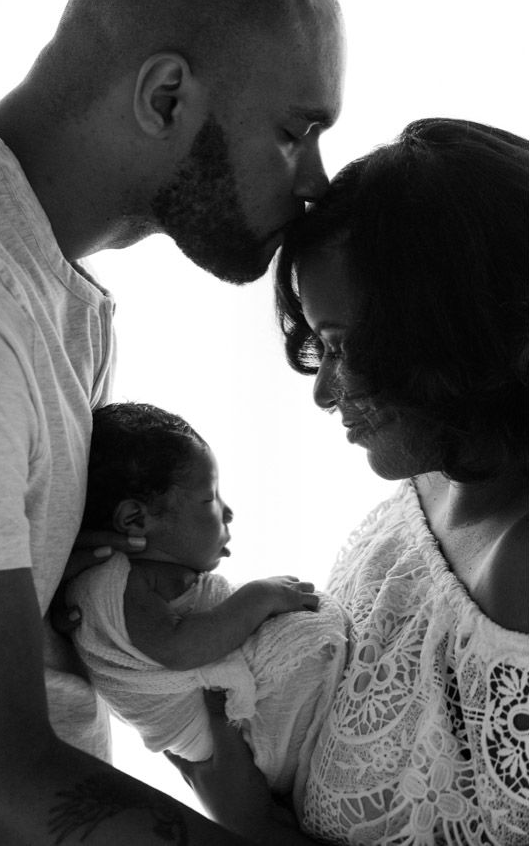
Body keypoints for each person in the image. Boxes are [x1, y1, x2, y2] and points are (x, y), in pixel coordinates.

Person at [0, 0, 344, 841]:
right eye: (294, 132)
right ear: (165, 96)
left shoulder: (49, 283)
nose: (315, 182)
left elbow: (102, 642)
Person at [174, 118, 529, 843]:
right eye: (315, 341)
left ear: (453, 332)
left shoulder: (521, 573)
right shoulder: (427, 485)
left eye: (340, 345)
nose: (323, 390)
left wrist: (248, 822)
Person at [66, 402, 348, 815]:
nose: (227, 511)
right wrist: (258, 597)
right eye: (210, 497)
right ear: (135, 519)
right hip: (245, 739)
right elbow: (179, 650)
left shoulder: (142, 578)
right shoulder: (116, 582)